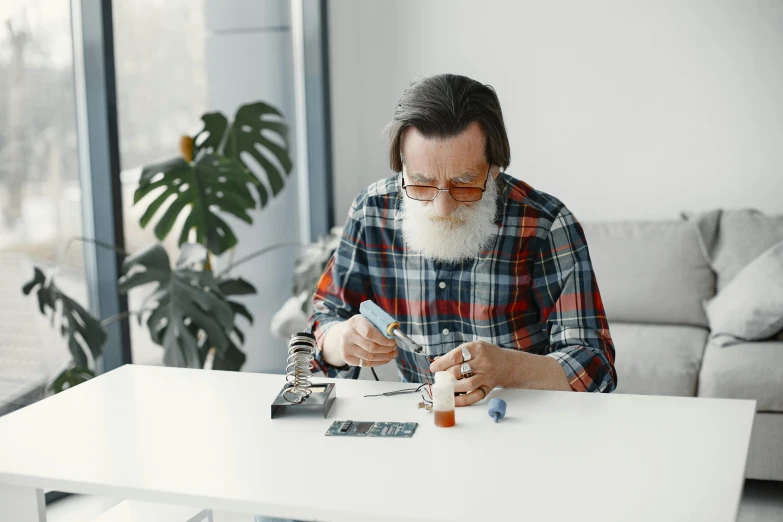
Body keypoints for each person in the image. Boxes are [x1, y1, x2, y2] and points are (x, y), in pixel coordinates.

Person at [310, 73, 617, 405]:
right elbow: (322, 320)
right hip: (422, 423)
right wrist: (341, 340)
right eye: (422, 182)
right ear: (402, 167)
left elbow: (595, 366)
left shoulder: (545, 224)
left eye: (464, 182)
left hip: (525, 425)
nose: (442, 207)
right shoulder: (372, 211)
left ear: (494, 169)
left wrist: (507, 369)